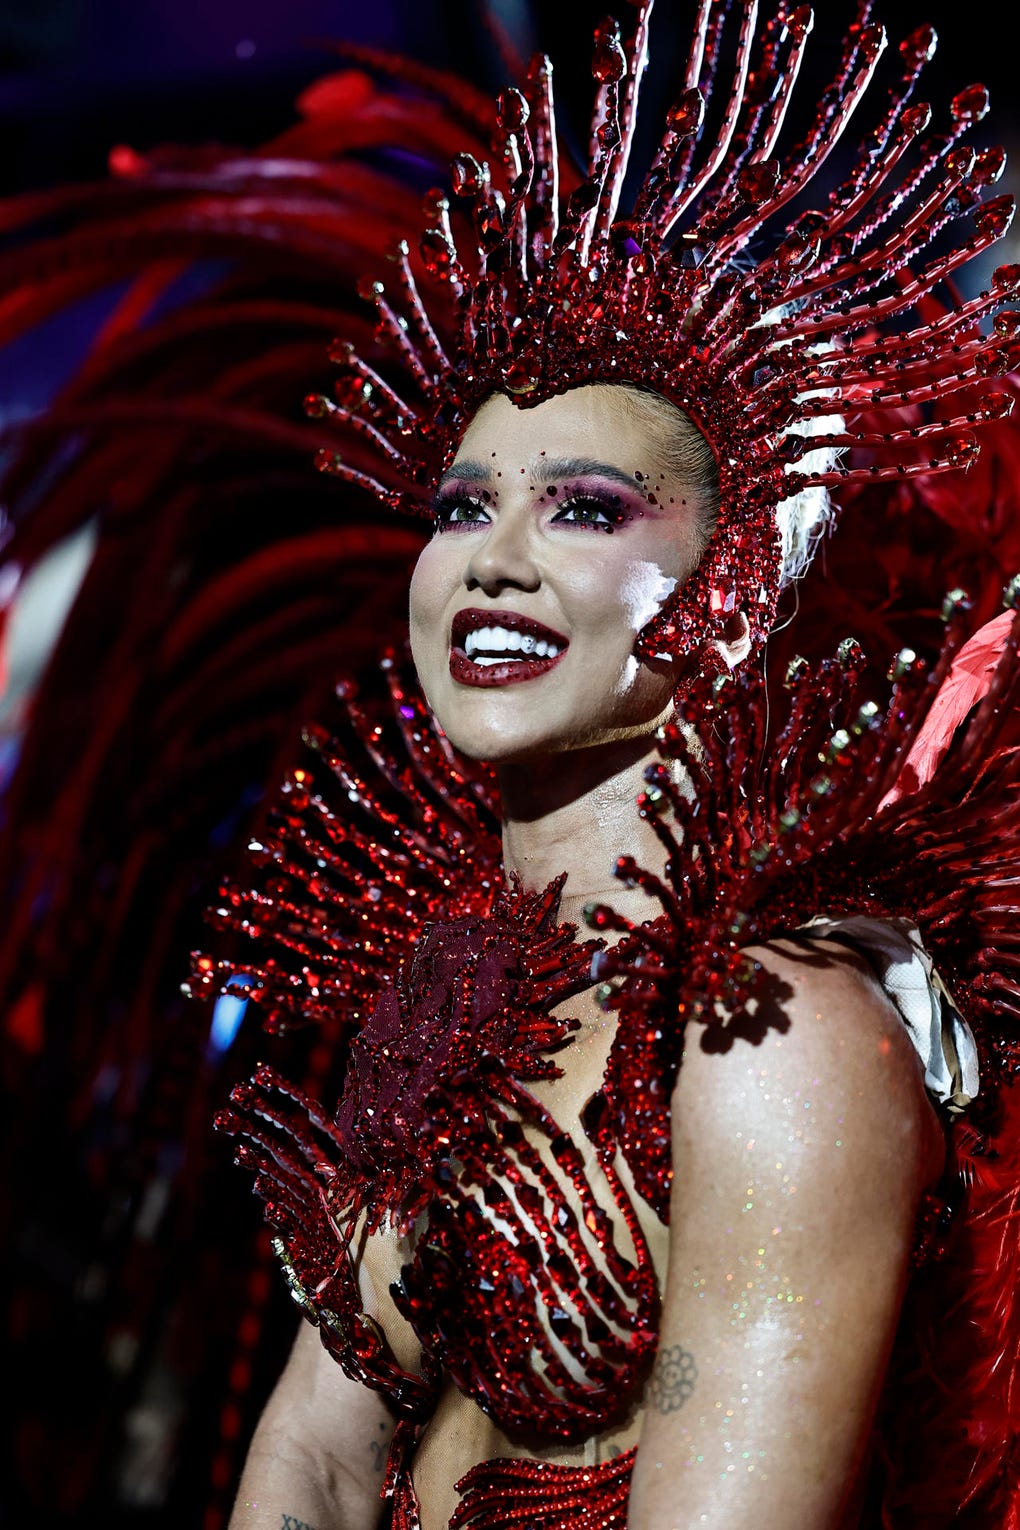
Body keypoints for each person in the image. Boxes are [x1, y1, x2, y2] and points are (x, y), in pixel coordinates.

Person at [198, 3, 1020, 1526]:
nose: (491, 565)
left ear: (728, 588)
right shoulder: (445, 990)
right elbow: (311, 1452)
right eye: (457, 509)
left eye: (581, 510)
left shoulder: (778, 1042)